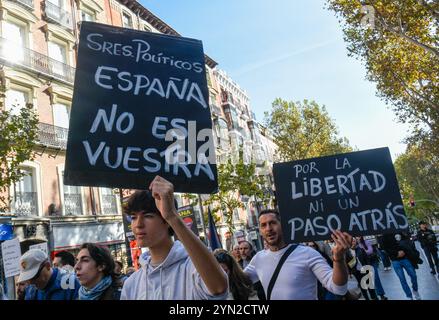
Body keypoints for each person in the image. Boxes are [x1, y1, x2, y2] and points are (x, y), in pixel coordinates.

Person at [120, 176, 228, 300]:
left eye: (148, 216)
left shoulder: (193, 269)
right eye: (133, 217)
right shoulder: (131, 284)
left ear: (166, 221)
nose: (138, 224)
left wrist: (172, 216)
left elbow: (219, 287)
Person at [243, 209, 351, 300]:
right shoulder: (258, 258)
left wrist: (339, 258)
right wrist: (227, 261)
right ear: (261, 231)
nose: (268, 228)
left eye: (273, 223)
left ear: (283, 225)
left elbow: (338, 289)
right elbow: (238, 282)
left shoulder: (308, 253)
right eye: (263, 225)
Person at [381, 232, 421, 300]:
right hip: (395, 260)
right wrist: (396, 253)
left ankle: (415, 290)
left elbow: (407, 242)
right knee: (402, 279)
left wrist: (405, 251)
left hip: (405, 258)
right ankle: (409, 296)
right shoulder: (385, 235)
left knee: (413, 275)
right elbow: (385, 249)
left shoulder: (399, 231)